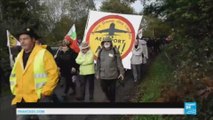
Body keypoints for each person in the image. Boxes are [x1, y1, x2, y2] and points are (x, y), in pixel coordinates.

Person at [10, 28, 59, 119]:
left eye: (25, 39)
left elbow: (54, 74)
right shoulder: (19, 55)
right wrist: (15, 90)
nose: (22, 42)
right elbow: (14, 75)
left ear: (33, 40)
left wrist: (46, 92)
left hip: (40, 98)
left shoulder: (43, 53)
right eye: (21, 39)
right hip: (23, 98)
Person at [96, 37, 125, 102]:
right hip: (103, 75)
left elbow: (119, 63)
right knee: (104, 89)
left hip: (113, 75)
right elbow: (98, 64)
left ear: (110, 43)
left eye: (108, 41)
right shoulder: (100, 51)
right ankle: (109, 97)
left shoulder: (115, 51)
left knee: (113, 91)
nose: (106, 43)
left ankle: (112, 102)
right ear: (103, 43)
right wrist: (97, 73)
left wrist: (121, 73)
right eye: (105, 42)